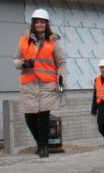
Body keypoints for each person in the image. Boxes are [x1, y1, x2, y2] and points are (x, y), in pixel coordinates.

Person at [13, 9, 67, 158]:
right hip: (28, 83)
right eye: (37, 21)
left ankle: (43, 147)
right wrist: (22, 64)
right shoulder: (24, 40)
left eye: (42, 21)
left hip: (47, 84)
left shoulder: (52, 42)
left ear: (46, 24)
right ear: (33, 23)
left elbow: (61, 62)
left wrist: (61, 78)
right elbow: (15, 59)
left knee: (44, 115)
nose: (40, 24)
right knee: (29, 116)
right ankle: (40, 143)